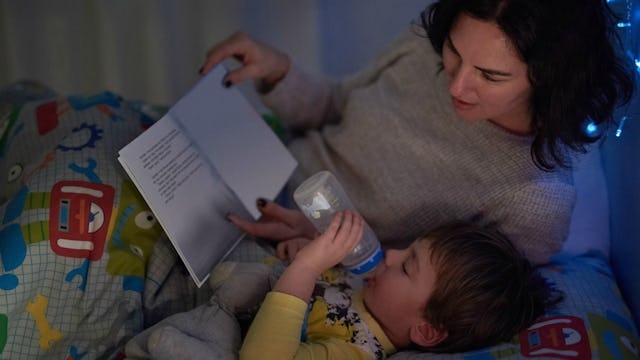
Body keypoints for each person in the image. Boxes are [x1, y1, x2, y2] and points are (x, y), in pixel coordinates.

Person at [200, 0, 636, 265]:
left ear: (550, 80)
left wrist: (326, 242)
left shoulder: (535, 203)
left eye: (490, 75)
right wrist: (279, 71)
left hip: (305, 254)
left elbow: (441, 293)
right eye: (454, 51)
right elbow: (337, 103)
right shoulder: (423, 44)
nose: (457, 85)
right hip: (263, 168)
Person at [239, 211, 556, 358]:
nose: (391, 255)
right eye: (407, 249)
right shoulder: (366, 287)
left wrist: (305, 267)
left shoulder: (356, 350)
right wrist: (300, 251)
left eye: (407, 267)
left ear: (427, 329)